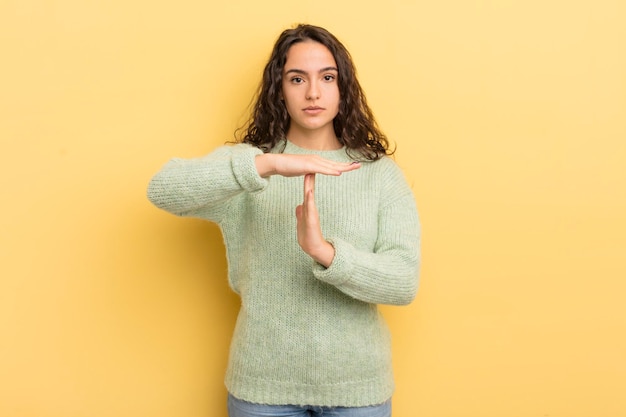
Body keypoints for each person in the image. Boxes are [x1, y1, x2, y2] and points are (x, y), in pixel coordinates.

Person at [147, 24, 420, 417]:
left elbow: (403, 282)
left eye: (327, 77)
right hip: (263, 390)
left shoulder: (379, 174)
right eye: (297, 79)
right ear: (279, 89)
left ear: (345, 88)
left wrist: (325, 253)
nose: (313, 92)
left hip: (357, 391)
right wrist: (270, 163)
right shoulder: (250, 166)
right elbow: (163, 190)